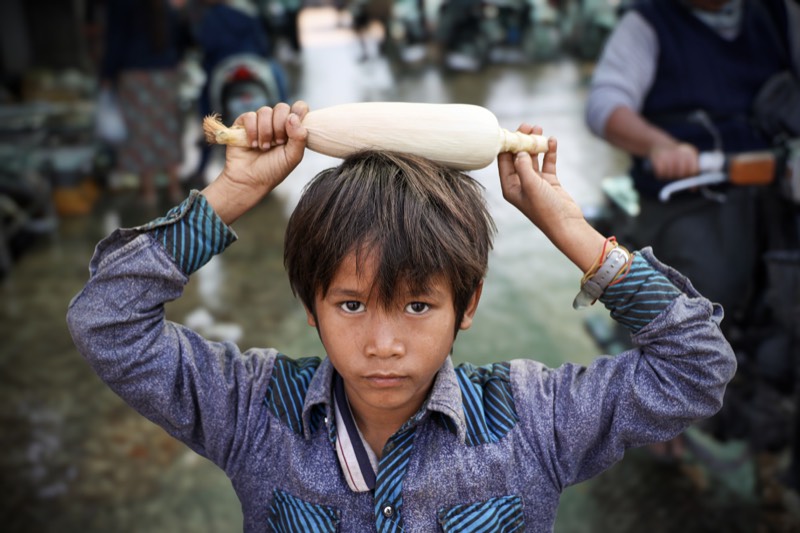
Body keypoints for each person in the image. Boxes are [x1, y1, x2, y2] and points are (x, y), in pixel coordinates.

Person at [67, 101, 736, 531]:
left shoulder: (534, 421)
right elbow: (107, 319)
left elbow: (698, 367)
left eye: (419, 304)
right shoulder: (251, 412)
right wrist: (232, 192)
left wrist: (568, 227)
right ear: (311, 306)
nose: (382, 343)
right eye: (350, 303)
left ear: (467, 305)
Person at [585, 0, 800, 495]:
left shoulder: (780, 16)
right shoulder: (648, 23)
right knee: (703, 298)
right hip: (692, 193)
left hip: (777, 188)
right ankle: (658, 408)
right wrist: (658, 145)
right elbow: (605, 104)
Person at [100, 0, 193, 206]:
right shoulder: (167, 5)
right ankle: (174, 188)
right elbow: (181, 38)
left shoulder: (123, 5)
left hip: (135, 75)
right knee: (168, 129)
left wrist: (107, 74)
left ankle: (149, 192)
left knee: (142, 132)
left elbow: (115, 39)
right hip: (166, 73)